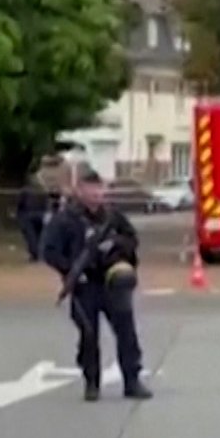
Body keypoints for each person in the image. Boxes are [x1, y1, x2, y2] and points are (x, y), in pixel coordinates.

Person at [40, 169, 151, 401]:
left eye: (99, 188)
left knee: (126, 331)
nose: (96, 194)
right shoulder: (65, 219)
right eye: (90, 189)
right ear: (79, 191)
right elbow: (48, 251)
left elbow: (132, 239)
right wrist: (70, 269)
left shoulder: (112, 217)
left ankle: (132, 380)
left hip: (113, 282)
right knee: (89, 335)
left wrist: (113, 245)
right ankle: (92, 382)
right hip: (84, 285)